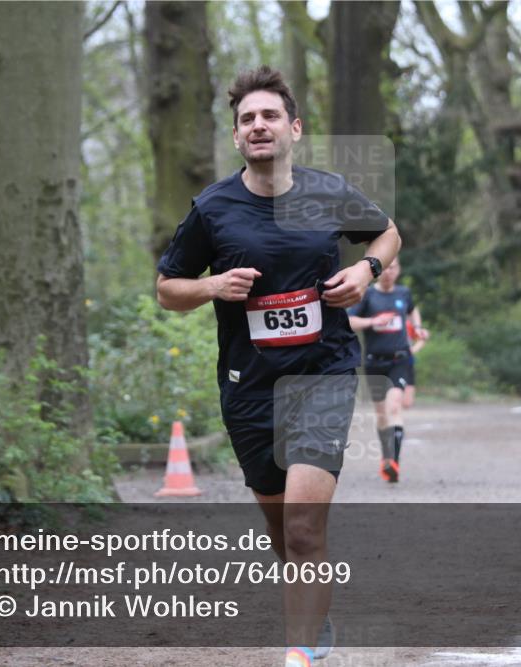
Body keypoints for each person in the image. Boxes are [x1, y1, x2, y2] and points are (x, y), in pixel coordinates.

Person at [155, 65, 401, 667]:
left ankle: (300, 652)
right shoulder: (213, 209)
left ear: (294, 128)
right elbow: (167, 288)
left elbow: (388, 235)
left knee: (302, 529)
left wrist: (364, 272)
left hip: (322, 374)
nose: (258, 126)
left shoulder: (327, 191)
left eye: (269, 116)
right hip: (249, 386)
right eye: (247, 120)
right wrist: (213, 286)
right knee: (282, 531)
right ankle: (313, 615)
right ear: (237, 138)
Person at [347, 256, 426, 483]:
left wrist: (417, 327)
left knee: (394, 407)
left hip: (399, 360)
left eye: (394, 268)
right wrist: (373, 322)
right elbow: (350, 321)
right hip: (374, 362)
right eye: (386, 268)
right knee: (381, 414)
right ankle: (386, 457)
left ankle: (394, 463)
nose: (390, 272)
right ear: (378, 271)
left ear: (398, 270)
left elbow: (413, 310)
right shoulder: (368, 294)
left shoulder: (403, 293)